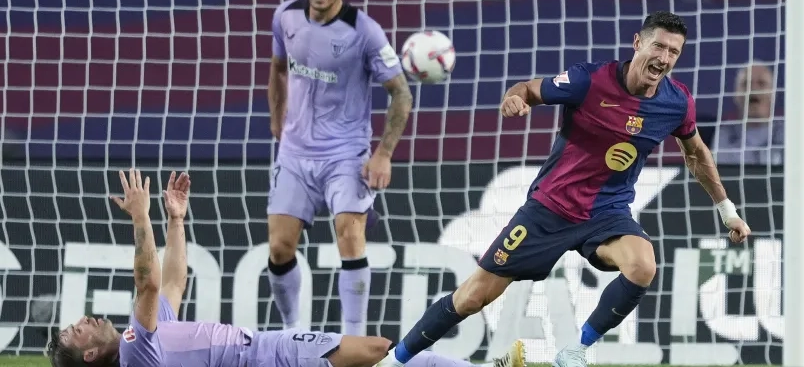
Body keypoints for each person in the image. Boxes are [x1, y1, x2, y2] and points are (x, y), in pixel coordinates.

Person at [380, 11, 752, 367]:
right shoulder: (589, 80)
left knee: (643, 266)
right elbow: (528, 89)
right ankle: (394, 361)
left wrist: (727, 211)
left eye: (674, 51)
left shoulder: (676, 102)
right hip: (550, 210)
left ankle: (574, 351)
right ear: (637, 42)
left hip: (607, 214)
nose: (665, 58)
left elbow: (697, 154)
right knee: (473, 296)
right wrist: (515, 99)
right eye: (659, 47)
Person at [47, 168, 527, 367]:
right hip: (266, 356)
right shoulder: (135, 351)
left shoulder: (146, 343)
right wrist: (140, 218)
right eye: (77, 332)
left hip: (264, 353)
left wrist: (175, 221)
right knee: (380, 350)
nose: (84, 322)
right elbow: (149, 281)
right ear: (90, 357)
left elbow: (173, 281)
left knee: (378, 353)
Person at [266, 0, 412, 335]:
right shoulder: (285, 16)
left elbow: (401, 92)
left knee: (349, 233)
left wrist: (383, 154)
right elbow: (278, 67)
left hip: (345, 154)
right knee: (279, 249)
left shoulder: (364, 32)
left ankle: (354, 340)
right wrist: (277, 117)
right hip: (294, 153)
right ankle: (292, 334)